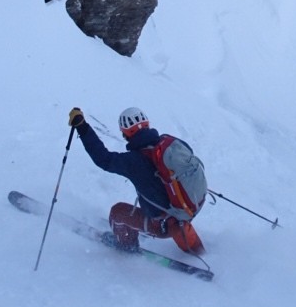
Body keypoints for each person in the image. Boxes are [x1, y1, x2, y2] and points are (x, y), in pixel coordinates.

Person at [67, 105, 205, 256]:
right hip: (192, 204)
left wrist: (82, 127)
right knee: (178, 222)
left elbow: (104, 159)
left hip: (163, 224)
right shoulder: (168, 143)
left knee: (117, 212)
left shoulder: (133, 161)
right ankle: (200, 252)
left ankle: (127, 246)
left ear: (126, 133)